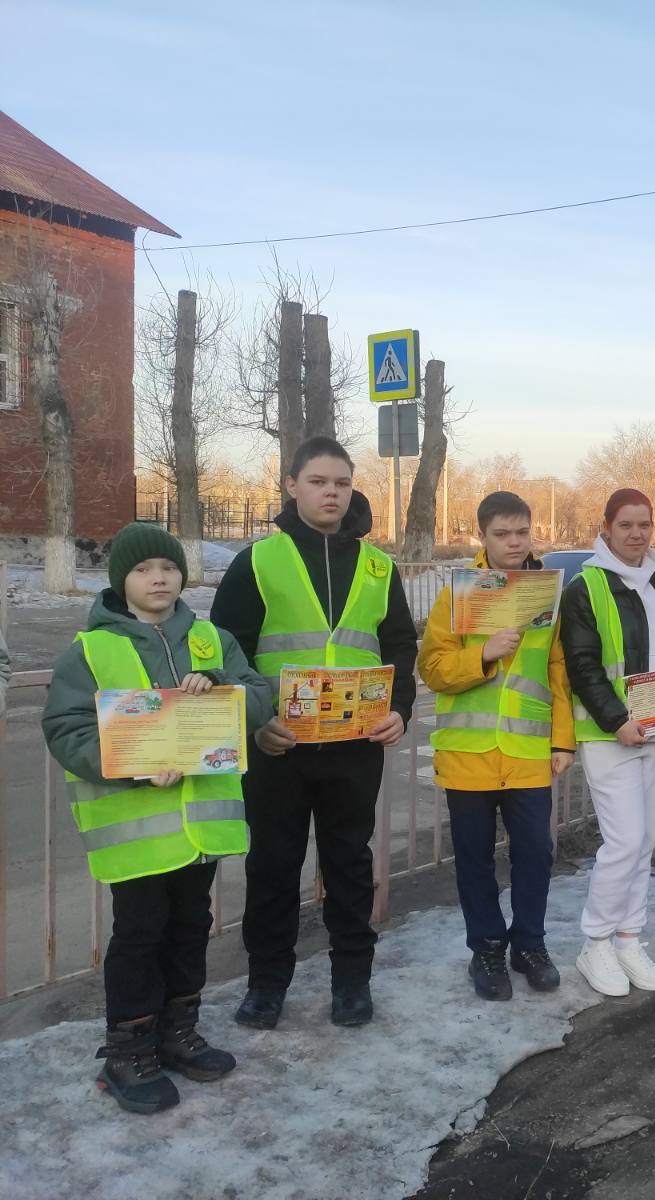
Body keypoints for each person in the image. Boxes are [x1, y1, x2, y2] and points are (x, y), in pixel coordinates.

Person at [42, 523, 273, 1113]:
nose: (160, 578)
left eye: (168, 568)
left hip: (201, 828)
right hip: (138, 834)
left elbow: (259, 693)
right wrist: (132, 766)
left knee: (190, 926)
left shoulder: (209, 639)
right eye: (144, 570)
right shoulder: (92, 649)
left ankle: (177, 1031)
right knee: (140, 936)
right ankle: (129, 1050)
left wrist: (223, 689)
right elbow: (66, 730)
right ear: (122, 579)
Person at [211, 436, 418, 1031]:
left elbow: (399, 644)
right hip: (280, 746)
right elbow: (225, 650)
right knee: (273, 866)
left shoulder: (379, 566)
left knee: (349, 865)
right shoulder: (259, 559)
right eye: (319, 481)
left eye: (342, 483)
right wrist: (256, 724)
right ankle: (266, 984)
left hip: (356, 747)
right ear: (292, 486)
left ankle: (352, 981)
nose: (332, 492)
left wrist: (400, 707)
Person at [562, 488, 655, 997]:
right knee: (624, 840)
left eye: (644, 525)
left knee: (645, 841)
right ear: (606, 528)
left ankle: (628, 938)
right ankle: (595, 942)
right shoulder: (585, 587)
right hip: (612, 735)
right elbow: (583, 667)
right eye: (625, 525)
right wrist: (615, 721)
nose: (636, 534)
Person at [419, 491, 573, 1000]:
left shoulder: (547, 593)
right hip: (469, 755)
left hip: (528, 753)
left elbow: (557, 671)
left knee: (535, 854)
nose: (513, 542)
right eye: (502, 534)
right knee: (474, 859)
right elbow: (433, 669)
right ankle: (486, 948)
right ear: (481, 537)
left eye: (522, 532)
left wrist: (563, 741)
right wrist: (483, 654)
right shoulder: (457, 596)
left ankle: (529, 944)